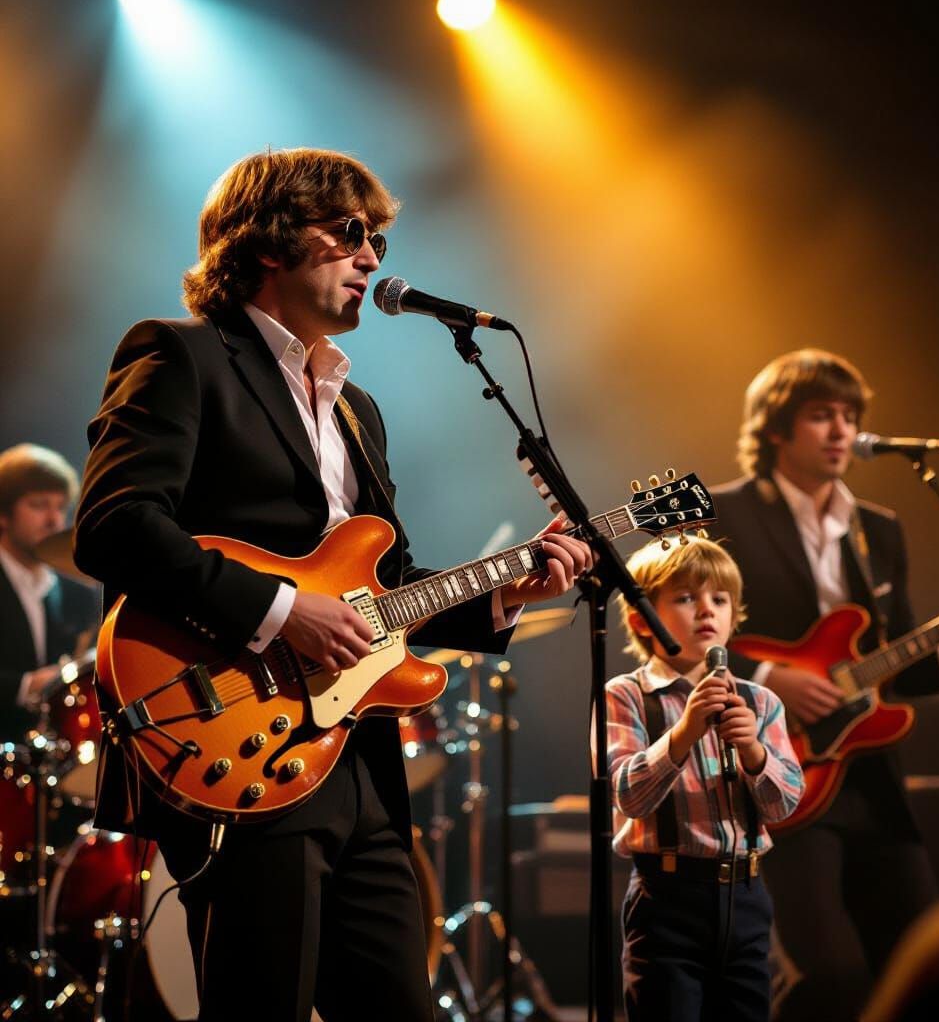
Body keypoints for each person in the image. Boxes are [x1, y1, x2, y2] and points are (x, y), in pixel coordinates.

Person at [72, 148, 592, 1022]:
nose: (373, 260)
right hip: (236, 735)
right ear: (268, 242)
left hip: (357, 760)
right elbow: (114, 526)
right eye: (350, 234)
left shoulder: (357, 408)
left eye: (381, 241)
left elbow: (382, 594)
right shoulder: (183, 355)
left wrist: (509, 589)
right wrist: (282, 613)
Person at [707, 349, 939, 1021]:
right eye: (820, 416)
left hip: (871, 779)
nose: (841, 431)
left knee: (927, 964)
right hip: (781, 774)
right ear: (776, 428)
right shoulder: (726, 513)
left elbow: (898, 655)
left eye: (849, 416)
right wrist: (767, 676)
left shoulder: (878, 528)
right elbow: (668, 626)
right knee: (828, 980)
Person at [595, 535, 804, 1021]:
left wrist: (753, 750)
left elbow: (784, 803)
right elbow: (628, 795)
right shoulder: (625, 696)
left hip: (747, 898)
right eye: (686, 598)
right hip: (668, 899)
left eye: (720, 599)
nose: (706, 610)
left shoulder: (760, 701)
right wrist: (685, 732)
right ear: (639, 618)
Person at [0, 443, 99, 743]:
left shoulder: (78, 593)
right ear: (3, 514)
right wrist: (27, 685)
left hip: (49, 758)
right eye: (39, 505)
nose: (55, 521)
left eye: (61, 507)